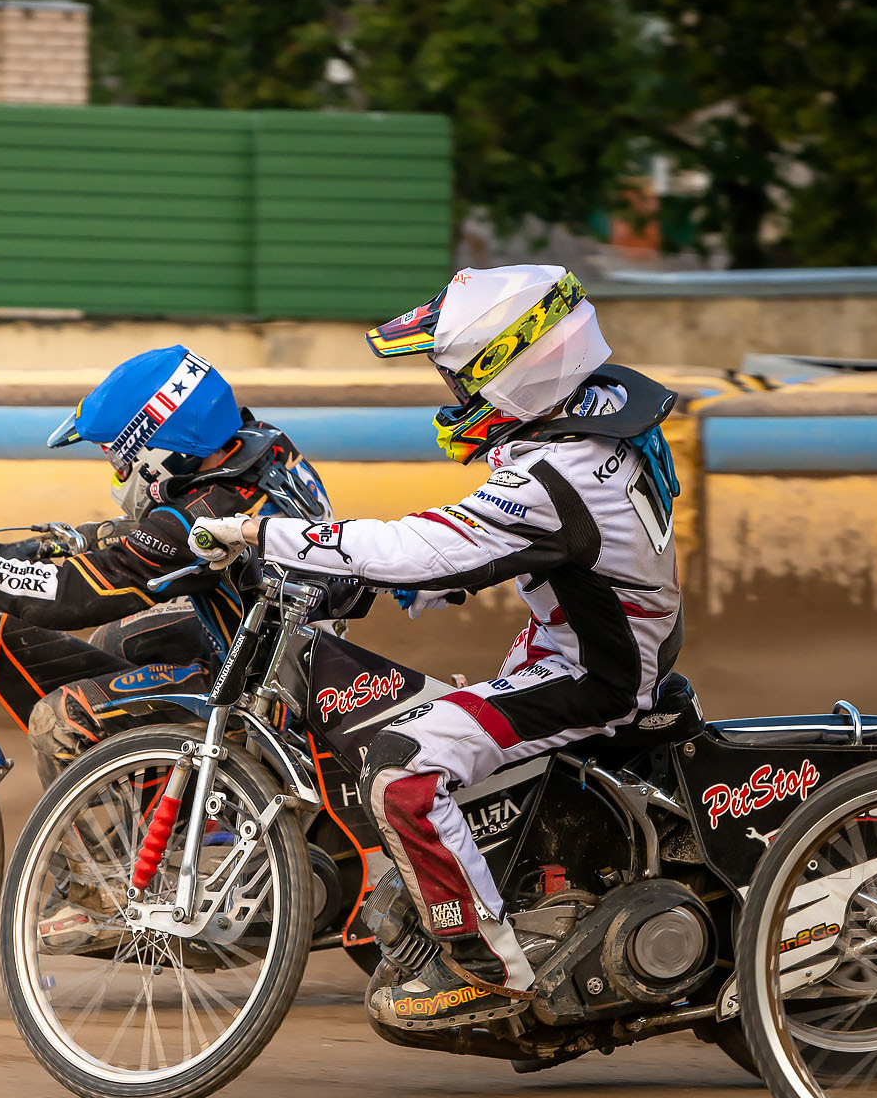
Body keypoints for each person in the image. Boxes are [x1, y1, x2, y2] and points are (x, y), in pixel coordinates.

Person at [192, 265, 684, 1031]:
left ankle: (486, 968)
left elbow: (426, 543)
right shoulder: (599, 416)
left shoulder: (555, 471)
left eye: (459, 378)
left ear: (513, 367)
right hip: (599, 649)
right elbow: (543, 549)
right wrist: (438, 582)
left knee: (401, 768)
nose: (454, 396)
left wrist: (263, 531)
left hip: (592, 678)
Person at [0, 345, 339, 779]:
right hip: (299, 649)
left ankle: (96, 866)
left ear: (158, 447)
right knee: (116, 642)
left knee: (58, 719)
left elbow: (75, 596)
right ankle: (162, 794)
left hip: (259, 694)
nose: (115, 471)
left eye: (116, 456)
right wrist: (65, 542)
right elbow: (158, 542)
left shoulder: (200, 517)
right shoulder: (262, 449)